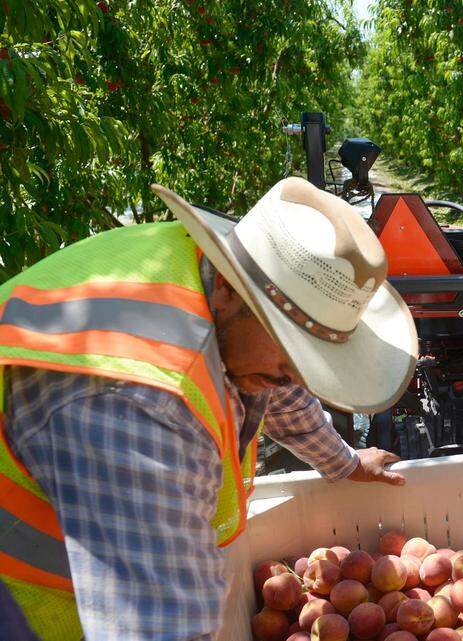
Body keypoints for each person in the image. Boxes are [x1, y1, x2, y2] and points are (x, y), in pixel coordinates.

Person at [0, 177, 419, 640]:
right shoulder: (147, 406)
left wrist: (344, 462)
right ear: (226, 286)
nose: (298, 377)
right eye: (291, 348)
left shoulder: (210, 283)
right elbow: (158, 628)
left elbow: (275, 382)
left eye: (313, 361)